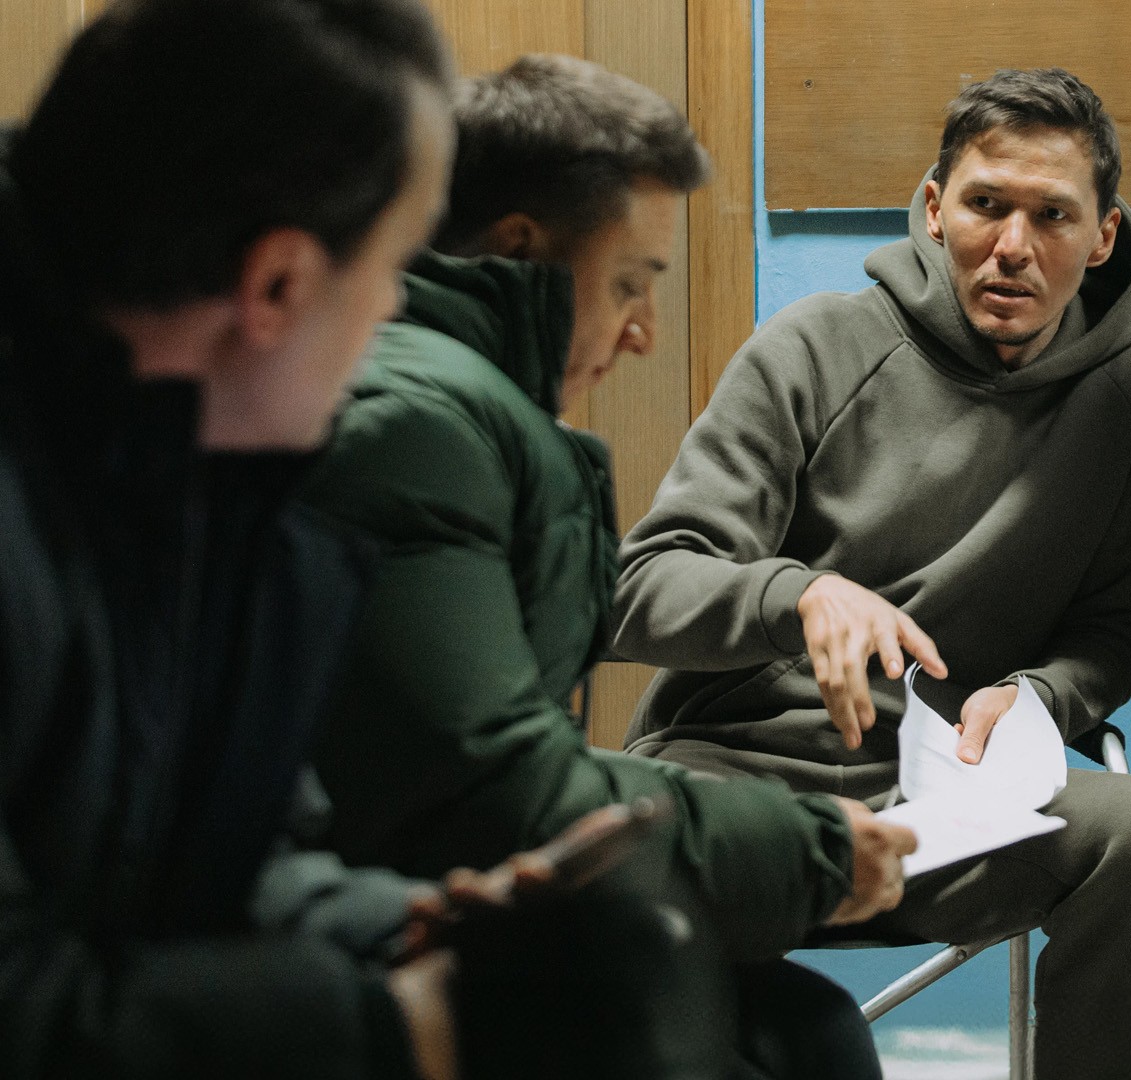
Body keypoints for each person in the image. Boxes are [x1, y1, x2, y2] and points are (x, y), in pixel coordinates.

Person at [0, 4, 730, 1079]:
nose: (394, 314)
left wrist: (408, 926)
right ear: (279, 285)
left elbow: (226, 868)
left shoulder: (197, 476)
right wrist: (388, 1030)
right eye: (393, 271)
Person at [295, 54, 913, 1080]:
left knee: (808, 1030)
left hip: (439, 903)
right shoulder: (416, 426)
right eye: (630, 283)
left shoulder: (456, 409)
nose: (643, 333)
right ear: (521, 251)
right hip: (379, 940)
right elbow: (487, 790)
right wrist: (799, 844)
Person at [611, 67, 1131, 1080]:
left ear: (1103, 236)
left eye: (1052, 215)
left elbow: (1110, 632)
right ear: (933, 209)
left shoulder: (1126, 386)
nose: (1013, 245)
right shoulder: (814, 346)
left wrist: (1038, 697)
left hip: (952, 796)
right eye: (985, 205)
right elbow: (641, 588)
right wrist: (795, 595)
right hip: (739, 775)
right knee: (609, 848)